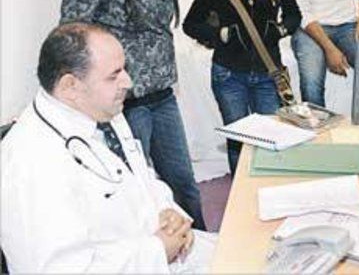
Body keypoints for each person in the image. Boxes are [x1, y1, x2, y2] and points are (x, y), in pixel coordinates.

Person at [0, 23, 215, 273]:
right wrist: (156, 252)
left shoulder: (100, 109)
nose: (128, 82)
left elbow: (140, 177)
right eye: (114, 75)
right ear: (70, 86)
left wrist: (167, 211)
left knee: (248, 250)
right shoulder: (30, 163)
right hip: (145, 261)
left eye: (124, 69)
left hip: (155, 251)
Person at [59, 0, 205, 229]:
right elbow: (72, 37)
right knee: (135, 196)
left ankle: (205, 251)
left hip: (162, 95)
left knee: (184, 186)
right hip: (122, 103)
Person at [183, 0, 301, 175]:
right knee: (239, 141)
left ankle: (266, 191)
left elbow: (294, 14)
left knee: (270, 139)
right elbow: (191, 24)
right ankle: (241, 193)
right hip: (229, 75)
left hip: (268, 72)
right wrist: (221, 34)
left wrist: (280, 30)